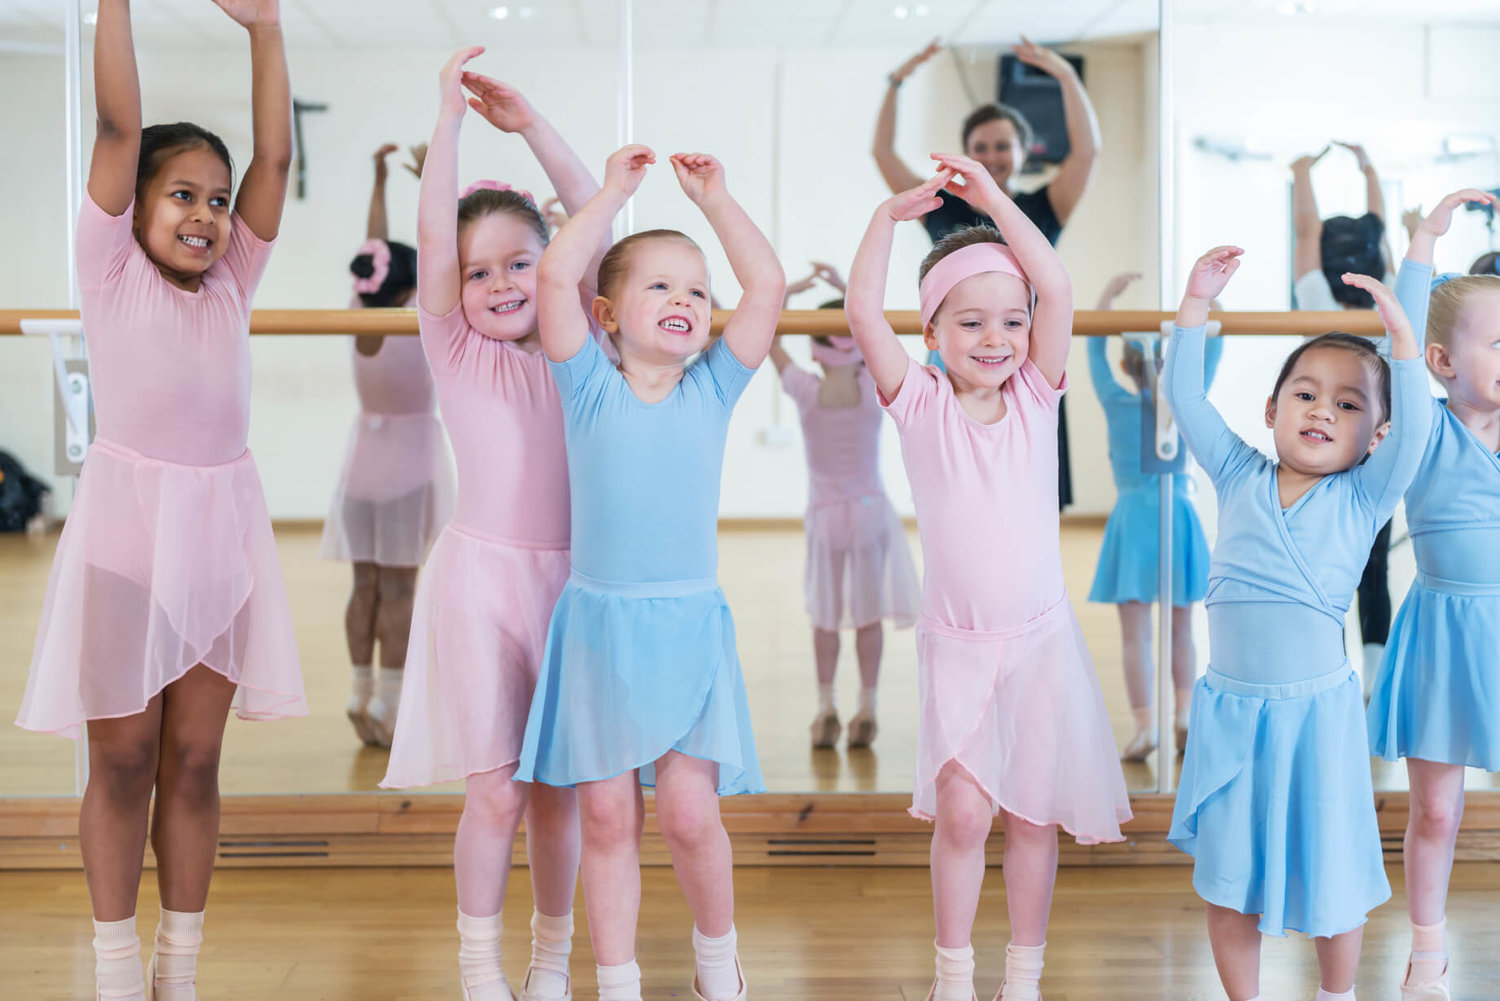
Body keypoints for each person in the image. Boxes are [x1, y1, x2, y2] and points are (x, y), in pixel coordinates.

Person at [14, 2, 304, 998]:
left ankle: (177, 969)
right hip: (128, 532)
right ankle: (112, 965)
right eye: (182, 193)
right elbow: (116, 127)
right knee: (126, 754)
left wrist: (266, 29)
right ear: (132, 206)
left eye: (217, 201)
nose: (207, 214)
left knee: (192, 759)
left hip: (221, 533)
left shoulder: (234, 281)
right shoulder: (109, 271)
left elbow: (274, 157)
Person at [846, 154, 1130, 1001]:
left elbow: (1057, 286)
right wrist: (887, 219)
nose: (996, 339)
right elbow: (864, 310)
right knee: (966, 813)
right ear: (932, 333)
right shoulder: (918, 402)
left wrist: (996, 200)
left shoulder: (1040, 394)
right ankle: (954, 975)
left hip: (1039, 638)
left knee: (1034, 813)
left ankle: (1024, 978)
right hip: (962, 645)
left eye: (1011, 321)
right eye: (970, 323)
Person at [516, 143, 784, 1001]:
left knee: (688, 813)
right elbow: (554, 278)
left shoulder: (713, 388)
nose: (684, 300)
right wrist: (614, 194)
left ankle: (718, 964)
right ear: (606, 312)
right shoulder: (586, 384)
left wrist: (716, 200)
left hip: (687, 626)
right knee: (605, 815)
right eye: (660, 285)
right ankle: (619, 982)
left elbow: (769, 288)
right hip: (600, 627)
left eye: (698, 290)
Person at [378, 49, 607, 1001]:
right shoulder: (455, 346)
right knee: (495, 788)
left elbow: (592, 213)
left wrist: (532, 128)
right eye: (482, 272)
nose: (504, 282)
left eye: (523, 261)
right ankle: (481, 968)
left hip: (574, 584)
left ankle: (550, 963)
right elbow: (434, 238)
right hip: (480, 585)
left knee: (559, 793)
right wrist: (448, 119)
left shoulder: (579, 345)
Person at [1165, 245, 1430, 1001]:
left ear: (1375, 434)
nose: (1323, 409)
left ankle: (1335, 994)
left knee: (1333, 873)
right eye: (1306, 394)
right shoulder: (1236, 471)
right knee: (1226, 881)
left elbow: (1416, 432)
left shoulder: (1364, 496)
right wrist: (1195, 305)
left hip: (1317, 715)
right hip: (1231, 711)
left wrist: (1402, 342)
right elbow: (1185, 399)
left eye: (1349, 404)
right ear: (1271, 409)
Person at [1366, 187, 1499, 1001]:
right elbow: (1400, 341)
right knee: (1438, 810)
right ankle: (1426, 949)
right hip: (1447, 627)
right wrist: (1423, 240)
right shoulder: (1426, 424)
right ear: (1446, 363)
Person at [876, 37, 1101, 512]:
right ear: (967, 154)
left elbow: (1087, 152)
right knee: (959, 489)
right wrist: (897, 81)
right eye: (982, 148)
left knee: (1030, 490)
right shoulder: (942, 207)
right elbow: (883, 153)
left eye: (1003, 145)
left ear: (1024, 150)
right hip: (958, 363)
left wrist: (1064, 75)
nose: (993, 155)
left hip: (1028, 359)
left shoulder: (1045, 204)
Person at [322, 142, 454, 748]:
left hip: (362, 464)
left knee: (365, 585)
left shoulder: (360, 309)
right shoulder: (415, 319)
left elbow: (371, 245)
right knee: (400, 587)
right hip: (409, 463)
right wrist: (434, 179)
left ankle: (356, 688)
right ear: (411, 284)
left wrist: (377, 183)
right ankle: (390, 703)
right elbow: (446, 250)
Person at [769, 263, 921, 749]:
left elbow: (768, 337)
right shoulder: (873, 390)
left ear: (814, 349)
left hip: (826, 517)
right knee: (869, 616)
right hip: (871, 512)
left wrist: (786, 293)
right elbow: (883, 331)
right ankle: (868, 706)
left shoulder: (806, 389)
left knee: (827, 617)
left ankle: (825, 705)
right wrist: (848, 290)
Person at [1086, 272, 1221, 761]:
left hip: (1135, 519)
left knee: (1135, 631)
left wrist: (1107, 299)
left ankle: (1148, 726)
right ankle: (1183, 716)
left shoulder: (1117, 399)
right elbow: (1216, 343)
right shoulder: (1184, 401)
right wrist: (1208, 296)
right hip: (1177, 512)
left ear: (1128, 364)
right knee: (1181, 626)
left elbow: (1091, 351)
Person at [1290, 141, 1396, 694]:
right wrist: (1368, 167)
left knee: (1334, 562)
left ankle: (1342, 670)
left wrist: (1302, 172)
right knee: (1370, 567)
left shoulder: (1316, 295)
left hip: (1337, 448)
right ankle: (1367, 677)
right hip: (1368, 448)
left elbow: (1307, 234)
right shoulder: (1389, 299)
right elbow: (1379, 235)